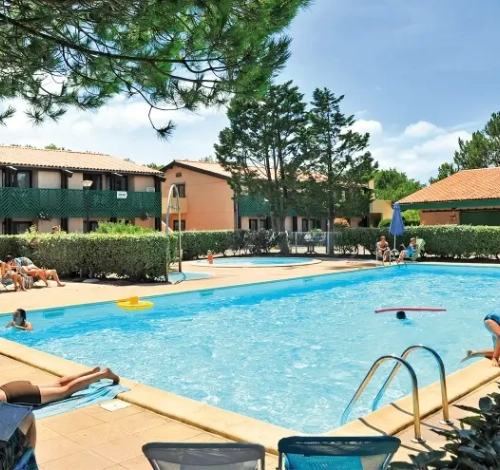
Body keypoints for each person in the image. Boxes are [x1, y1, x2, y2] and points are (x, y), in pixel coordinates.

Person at [0, 366, 120, 406]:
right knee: (58, 383)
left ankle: (103, 374)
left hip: (18, 396)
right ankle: (91, 373)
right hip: (9, 387)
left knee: (64, 391)